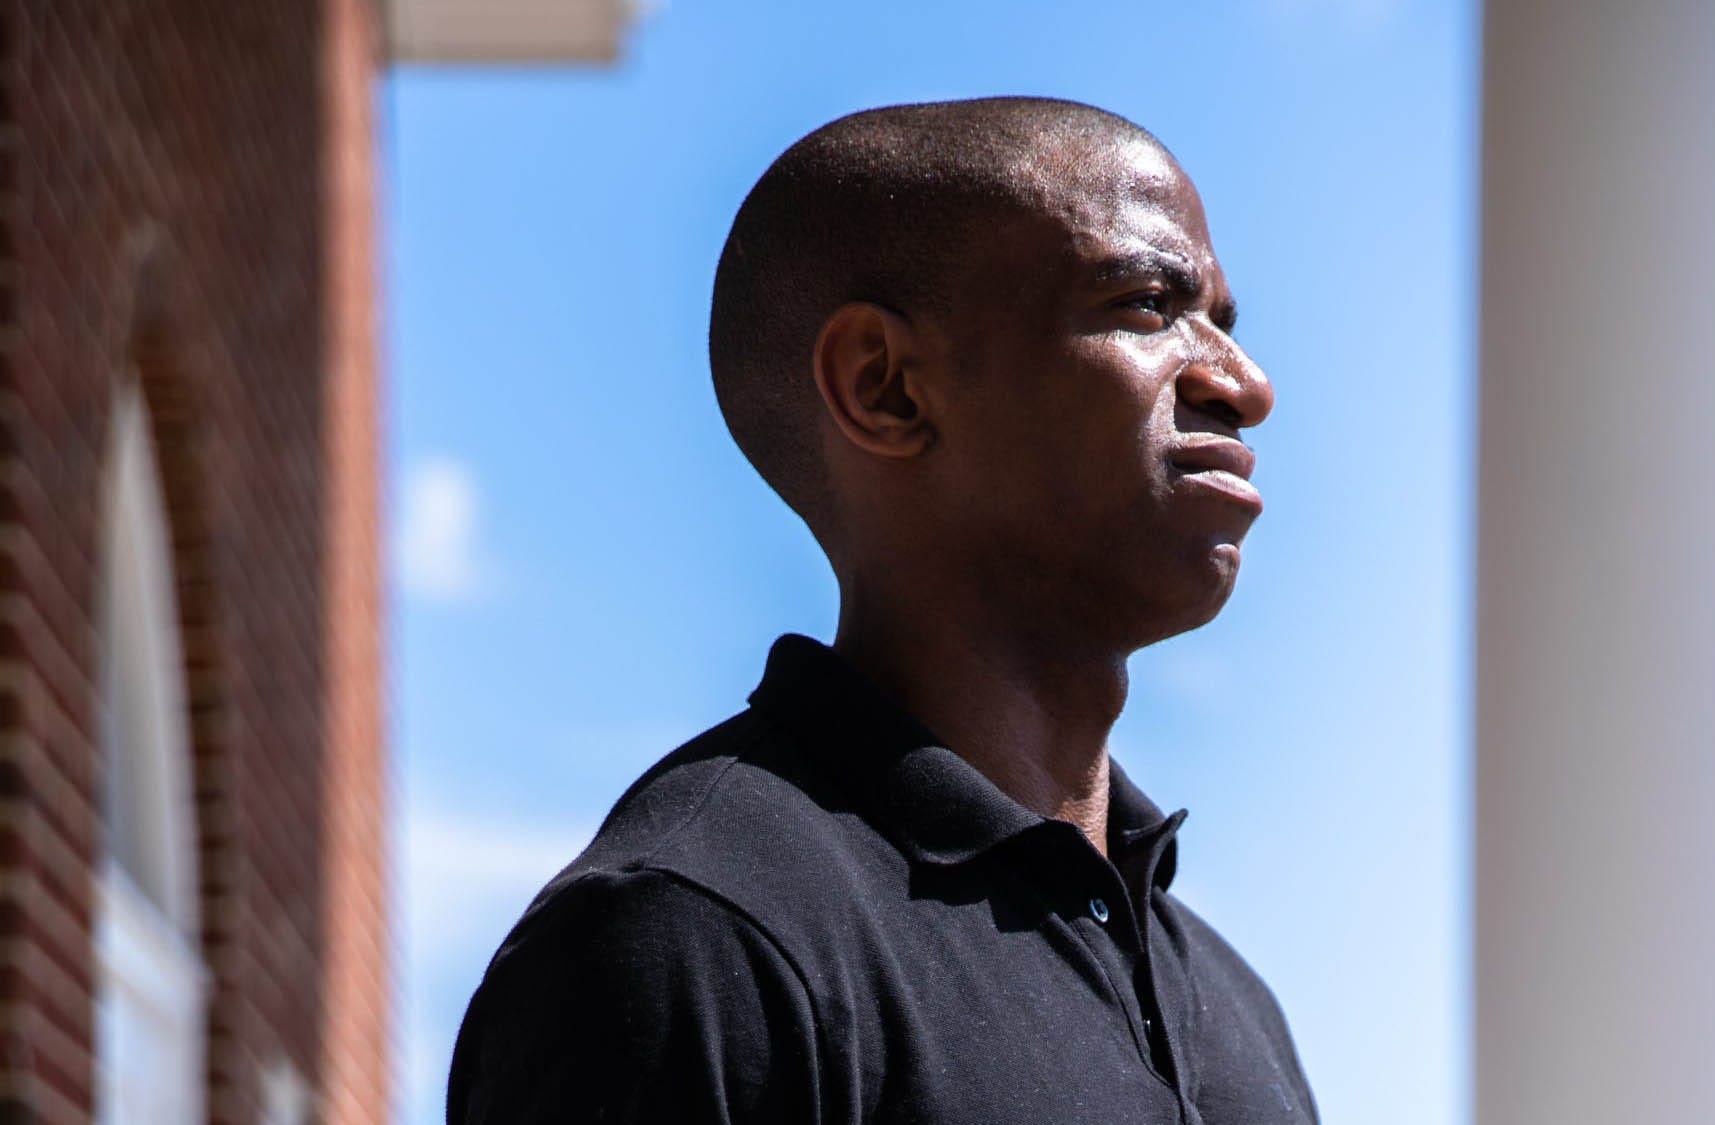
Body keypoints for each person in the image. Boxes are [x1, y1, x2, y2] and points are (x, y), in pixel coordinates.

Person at [445, 96, 1314, 1124]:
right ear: (884, 387)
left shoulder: (1233, 1005)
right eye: (1143, 304)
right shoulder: (693, 937)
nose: (1242, 384)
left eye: (1221, 320)